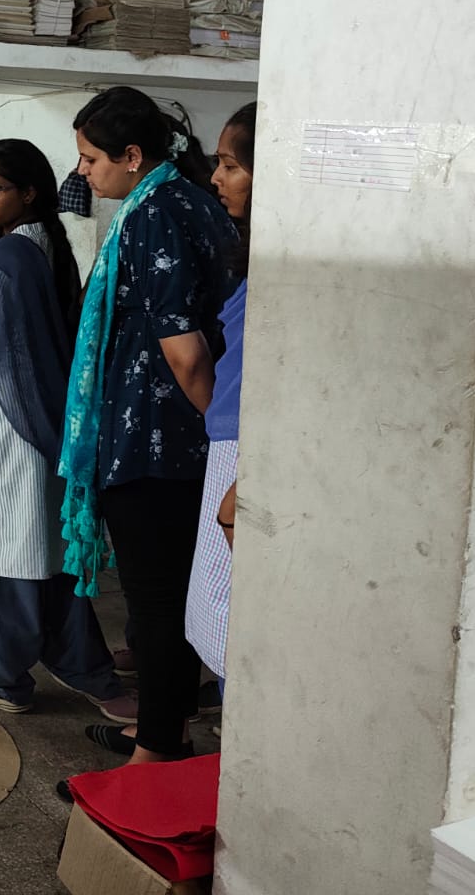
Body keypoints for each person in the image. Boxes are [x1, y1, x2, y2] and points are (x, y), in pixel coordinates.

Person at [59, 87, 236, 765]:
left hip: (157, 439)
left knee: (157, 602)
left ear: (133, 157)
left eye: (91, 158)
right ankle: (166, 726)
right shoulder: (181, 200)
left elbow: (185, 350)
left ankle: (157, 750)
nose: (83, 172)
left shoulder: (154, 212)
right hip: (172, 436)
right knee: (169, 596)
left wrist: (217, 433)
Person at [0, 140, 134, 723]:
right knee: (45, 553)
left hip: (4, 422)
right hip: (51, 422)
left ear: (28, 192)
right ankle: (81, 666)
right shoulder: (50, 246)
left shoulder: (2, 261)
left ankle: (6, 678)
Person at [186, 102, 255, 685]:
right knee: (215, 611)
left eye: (231, 166)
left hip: (245, 452)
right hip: (228, 440)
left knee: (234, 618)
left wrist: (244, 479)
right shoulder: (256, 257)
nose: (216, 178)